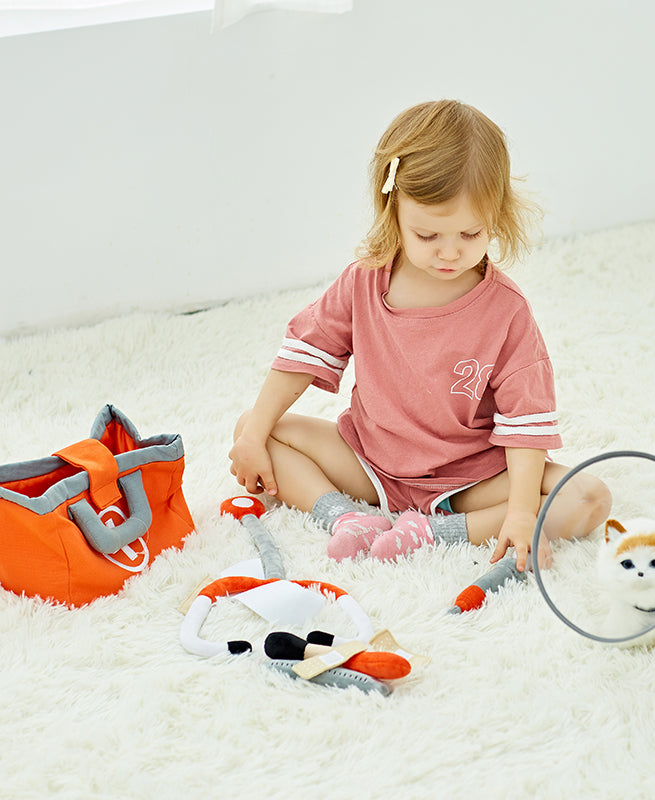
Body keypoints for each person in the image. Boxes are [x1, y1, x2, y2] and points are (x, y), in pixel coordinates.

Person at [229, 99, 611, 571]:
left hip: (469, 478)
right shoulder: (364, 281)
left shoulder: (507, 313)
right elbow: (303, 356)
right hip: (369, 461)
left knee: (590, 496)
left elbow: (525, 422)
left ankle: (434, 531)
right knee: (253, 426)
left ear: (496, 214)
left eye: (470, 235)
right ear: (394, 211)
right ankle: (346, 517)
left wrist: (519, 512)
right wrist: (253, 437)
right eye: (428, 236)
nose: (450, 253)